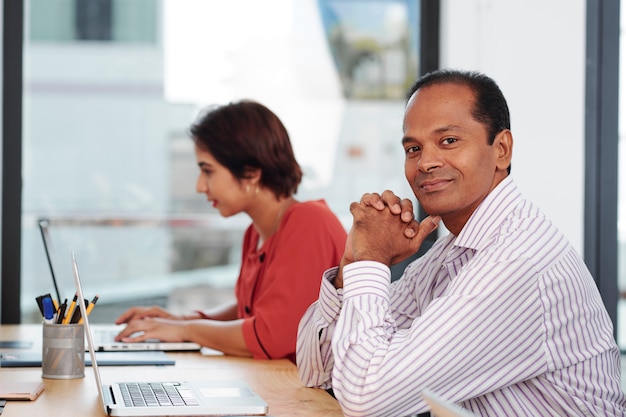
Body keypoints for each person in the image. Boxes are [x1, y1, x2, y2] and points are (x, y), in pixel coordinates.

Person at [296, 69, 626, 416]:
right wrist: (352, 264)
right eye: (413, 148)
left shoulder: (515, 261)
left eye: (449, 141)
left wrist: (372, 260)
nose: (426, 162)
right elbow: (318, 369)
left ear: (501, 149)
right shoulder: (452, 251)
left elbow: (367, 399)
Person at [115, 100, 347, 363]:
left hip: (315, 398)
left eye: (208, 171)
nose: (200, 186)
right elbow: (253, 312)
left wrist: (186, 330)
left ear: (251, 173)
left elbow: (269, 335)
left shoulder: (308, 224)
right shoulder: (255, 232)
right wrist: (182, 321)